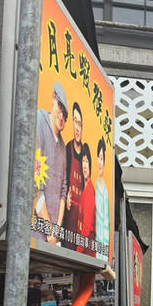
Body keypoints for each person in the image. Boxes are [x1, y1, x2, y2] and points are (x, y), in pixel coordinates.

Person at [34, 80, 68, 245]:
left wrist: (57, 230)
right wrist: (49, 228)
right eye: (60, 108)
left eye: (65, 115)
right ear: (52, 99)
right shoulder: (38, 121)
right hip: (33, 230)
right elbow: (34, 182)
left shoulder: (62, 146)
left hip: (52, 237)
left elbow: (63, 189)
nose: (61, 117)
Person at [63, 101, 84, 247]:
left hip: (83, 224)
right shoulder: (66, 150)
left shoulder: (85, 154)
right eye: (75, 122)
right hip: (68, 222)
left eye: (80, 123)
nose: (77, 127)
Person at [76, 144, 96, 256]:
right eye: (83, 161)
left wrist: (77, 252)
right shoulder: (85, 188)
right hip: (86, 249)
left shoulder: (89, 191)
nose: (84, 166)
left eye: (87, 161)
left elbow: (86, 228)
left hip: (86, 251)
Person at [94, 137, 110, 261]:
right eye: (98, 158)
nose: (100, 162)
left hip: (100, 246)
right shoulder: (94, 183)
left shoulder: (104, 188)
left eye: (102, 158)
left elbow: (105, 222)